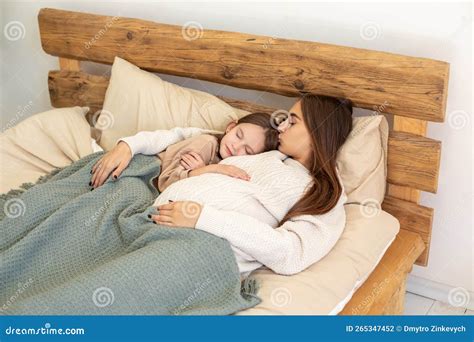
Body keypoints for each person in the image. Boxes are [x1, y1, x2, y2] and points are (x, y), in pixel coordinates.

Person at [149, 94, 354, 278]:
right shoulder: (268, 154)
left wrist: (202, 217)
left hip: (195, 251)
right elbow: (214, 136)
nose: (281, 127)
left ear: (318, 132)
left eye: (292, 122)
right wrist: (130, 145)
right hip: (154, 223)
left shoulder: (324, 193)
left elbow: (291, 254)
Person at [90, 112, 279, 191]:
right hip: (145, 172)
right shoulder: (206, 143)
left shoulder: (226, 165)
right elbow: (167, 182)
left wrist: (206, 169)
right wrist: (127, 146)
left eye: (247, 150)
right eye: (238, 135)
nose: (236, 148)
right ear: (230, 127)